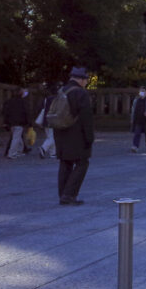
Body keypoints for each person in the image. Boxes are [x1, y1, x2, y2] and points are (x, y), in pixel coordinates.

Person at [55, 67, 94, 205]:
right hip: (77, 135)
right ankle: (70, 194)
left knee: (65, 163)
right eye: (86, 80)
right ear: (80, 79)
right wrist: (89, 137)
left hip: (60, 133)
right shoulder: (80, 93)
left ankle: (63, 194)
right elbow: (86, 118)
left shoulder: (61, 91)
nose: (86, 82)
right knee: (82, 163)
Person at [2, 87, 31, 159]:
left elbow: (5, 112)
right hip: (19, 122)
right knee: (16, 138)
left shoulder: (9, 101)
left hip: (11, 122)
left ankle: (19, 151)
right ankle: (12, 153)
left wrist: (5, 122)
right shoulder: (23, 102)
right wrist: (29, 122)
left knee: (17, 137)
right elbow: (26, 112)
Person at [130, 86, 146, 153]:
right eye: (140, 91)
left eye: (143, 91)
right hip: (138, 119)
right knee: (137, 133)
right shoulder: (136, 100)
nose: (141, 92)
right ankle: (135, 146)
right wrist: (132, 118)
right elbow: (133, 109)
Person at [37, 83, 59, 159]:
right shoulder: (57, 99)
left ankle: (53, 152)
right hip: (53, 120)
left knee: (49, 136)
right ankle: (43, 148)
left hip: (46, 119)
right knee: (52, 137)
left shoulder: (47, 99)